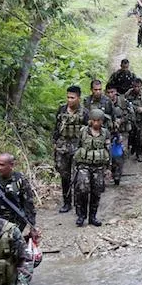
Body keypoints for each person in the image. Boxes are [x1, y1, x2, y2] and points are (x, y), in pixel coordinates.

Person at [53, 85, 89, 213]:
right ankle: (67, 202)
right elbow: (56, 128)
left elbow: (88, 131)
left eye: (72, 98)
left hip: (77, 146)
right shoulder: (62, 110)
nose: (69, 100)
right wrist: (54, 143)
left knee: (78, 177)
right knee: (65, 176)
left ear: (78, 98)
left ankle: (79, 204)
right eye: (68, 97)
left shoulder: (84, 113)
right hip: (62, 147)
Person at [73, 108, 111, 227]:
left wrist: (108, 168)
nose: (95, 123)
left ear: (102, 121)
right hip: (84, 165)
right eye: (93, 120)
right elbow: (77, 147)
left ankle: (93, 216)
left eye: (98, 121)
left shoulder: (105, 133)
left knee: (97, 191)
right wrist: (76, 165)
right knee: (82, 189)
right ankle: (81, 215)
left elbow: (108, 150)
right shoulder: (83, 131)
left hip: (99, 166)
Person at [106, 85, 134, 185]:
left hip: (122, 131)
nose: (110, 95)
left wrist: (121, 120)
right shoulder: (104, 103)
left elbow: (131, 115)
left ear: (116, 92)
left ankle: (118, 174)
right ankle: (112, 171)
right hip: (109, 132)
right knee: (110, 153)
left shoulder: (123, 102)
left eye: (112, 92)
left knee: (121, 153)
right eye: (108, 92)